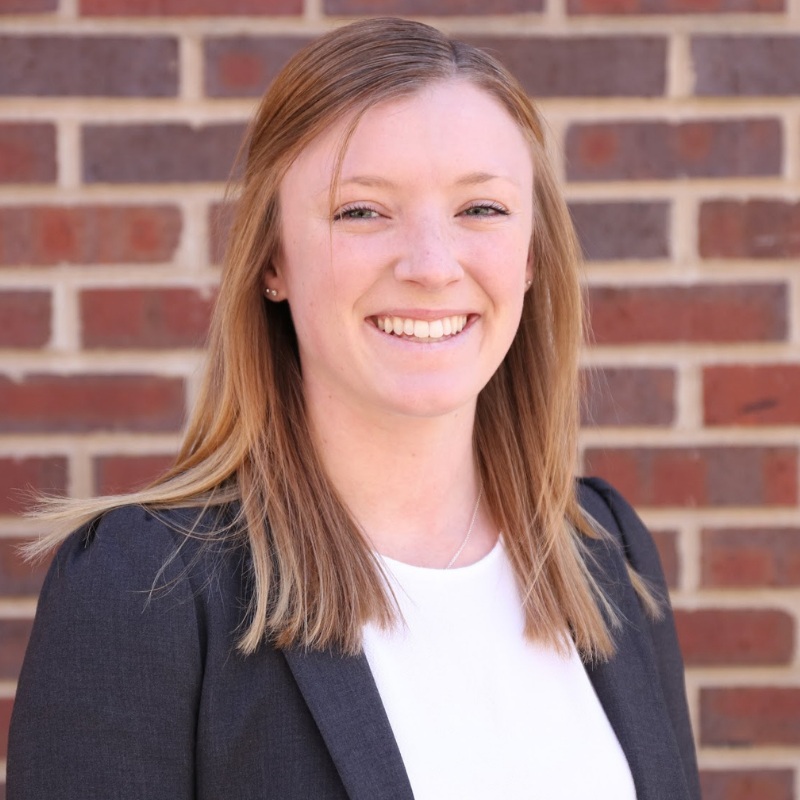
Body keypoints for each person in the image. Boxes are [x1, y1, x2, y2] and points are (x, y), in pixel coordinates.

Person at [7, 17, 701, 800]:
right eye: (361, 211)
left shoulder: (607, 554)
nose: (433, 267)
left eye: (482, 209)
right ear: (272, 259)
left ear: (534, 253)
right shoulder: (144, 589)